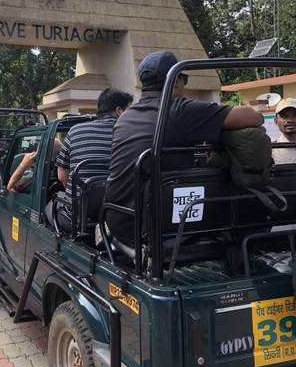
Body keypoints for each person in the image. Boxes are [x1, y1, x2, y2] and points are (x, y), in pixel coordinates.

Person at [106, 51, 264, 245]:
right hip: (156, 228)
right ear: (177, 81)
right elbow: (254, 117)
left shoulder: (126, 116)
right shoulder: (180, 109)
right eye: (185, 79)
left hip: (121, 220)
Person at [54, 88, 134, 232]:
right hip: (119, 213)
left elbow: (62, 176)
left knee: (51, 207)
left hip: (79, 216)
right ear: (119, 111)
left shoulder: (74, 131)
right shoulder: (130, 134)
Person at [272, 98, 296, 164]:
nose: (290, 120)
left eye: (295, 115)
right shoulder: (271, 150)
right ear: (276, 121)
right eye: (284, 116)